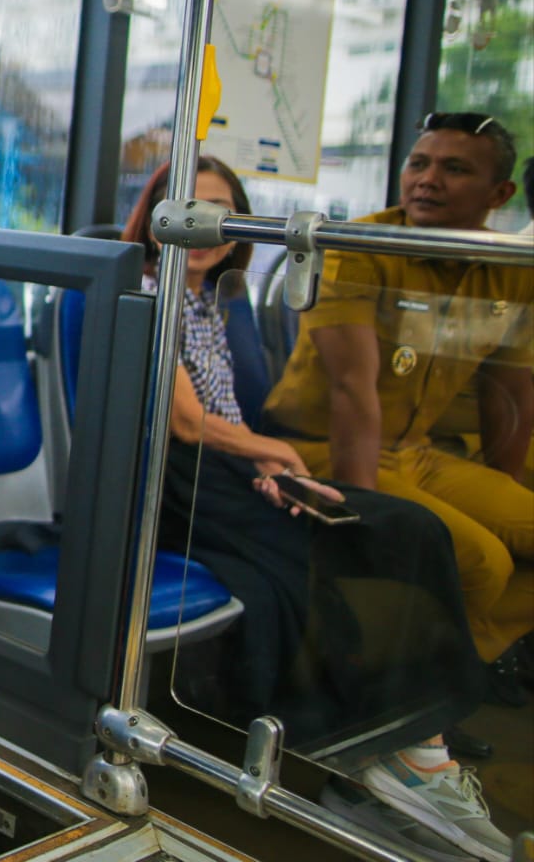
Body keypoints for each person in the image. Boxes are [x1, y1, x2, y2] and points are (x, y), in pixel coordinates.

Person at [126, 157, 507, 862]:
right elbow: (185, 424)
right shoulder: (152, 294)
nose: (208, 229)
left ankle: (407, 746)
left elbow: (228, 415)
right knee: (356, 546)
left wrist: (268, 463)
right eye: (193, 211)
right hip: (180, 486)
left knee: (412, 529)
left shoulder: (216, 300)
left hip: (235, 469)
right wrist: (275, 452)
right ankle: (398, 756)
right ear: (160, 219)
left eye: (222, 212)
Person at [263, 113, 534, 695]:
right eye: (419, 163)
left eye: (454, 169)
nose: (426, 180)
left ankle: (441, 682)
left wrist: (502, 493)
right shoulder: (361, 246)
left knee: (517, 536)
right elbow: (350, 390)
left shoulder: (510, 267)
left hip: (416, 450)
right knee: (485, 563)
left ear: (499, 193)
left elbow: (507, 387)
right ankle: (400, 701)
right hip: (324, 448)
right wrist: (365, 516)